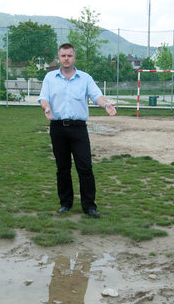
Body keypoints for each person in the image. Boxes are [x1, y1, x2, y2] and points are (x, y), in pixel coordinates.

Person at [39, 43, 117, 218]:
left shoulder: (85, 78)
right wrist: (46, 107)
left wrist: (105, 104)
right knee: (63, 168)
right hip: (58, 128)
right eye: (63, 56)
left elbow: (96, 95)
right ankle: (65, 203)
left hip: (78, 129)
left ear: (74, 57)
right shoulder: (50, 78)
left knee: (85, 167)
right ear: (58, 58)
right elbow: (43, 98)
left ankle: (89, 206)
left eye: (69, 55)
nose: (66, 59)